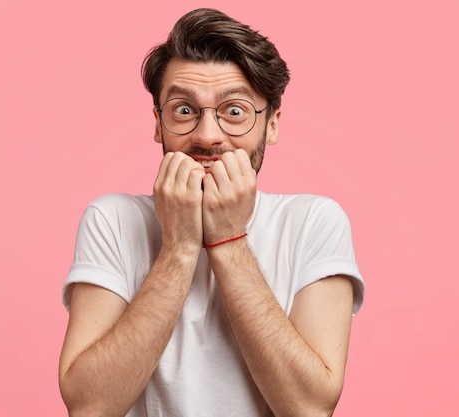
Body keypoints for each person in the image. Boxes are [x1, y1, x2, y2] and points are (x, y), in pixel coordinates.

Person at [58, 7, 365, 417]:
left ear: (271, 124)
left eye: (234, 111)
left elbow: (308, 408)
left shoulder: (314, 222)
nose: (206, 135)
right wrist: (179, 248)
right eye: (183, 110)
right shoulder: (113, 220)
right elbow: (89, 406)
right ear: (157, 123)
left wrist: (228, 240)